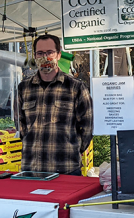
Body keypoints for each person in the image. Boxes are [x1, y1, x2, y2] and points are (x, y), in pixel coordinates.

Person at [17, 34, 93, 175]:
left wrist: (71, 149)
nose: (45, 57)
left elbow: (87, 128)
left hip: (66, 169)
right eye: (40, 53)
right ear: (34, 56)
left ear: (58, 55)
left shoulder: (76, 88)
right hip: (31, 170)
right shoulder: (24, 88)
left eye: (50, 52)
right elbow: (21, 125)